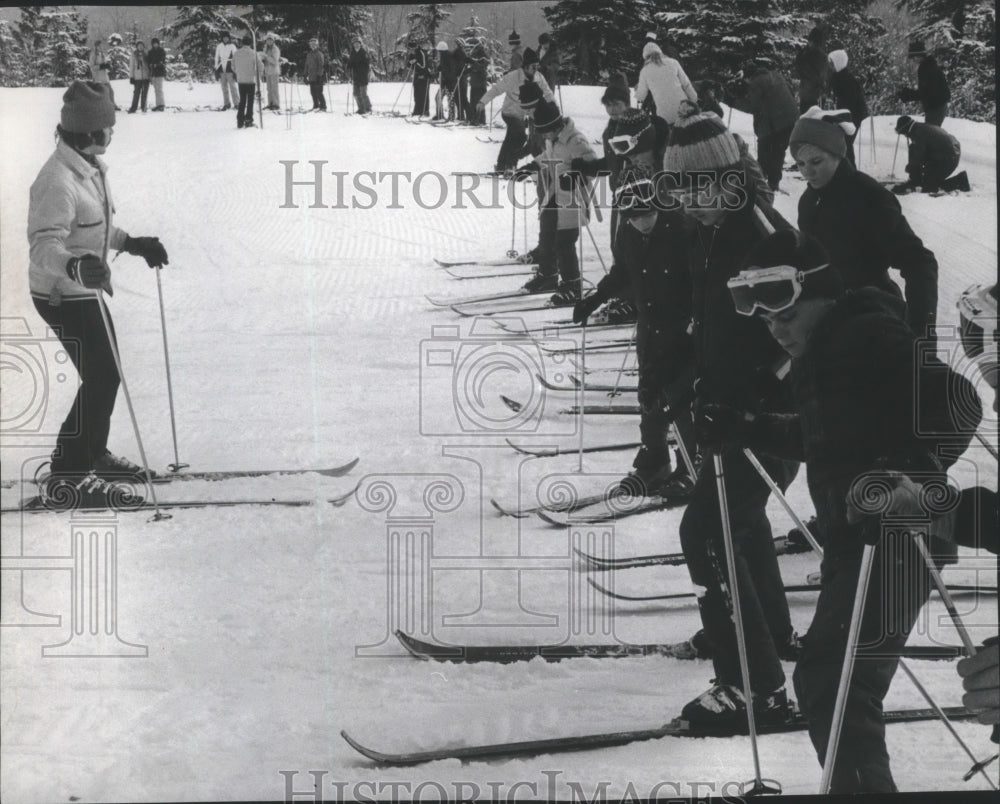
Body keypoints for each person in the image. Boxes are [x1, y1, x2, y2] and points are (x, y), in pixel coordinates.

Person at [716, 229, 979, 792]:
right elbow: (824, 440)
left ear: (821, 292)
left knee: (835, 681)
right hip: (860, 537)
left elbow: (957, 399)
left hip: (899, 535)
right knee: (831, 680)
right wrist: (745, 428)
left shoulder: (865, 334)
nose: (777, 329)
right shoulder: (823, 349)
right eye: (765, 321)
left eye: (785, 314)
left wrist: (903, 470)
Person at [662, 100, 801, 731]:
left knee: (706, 532)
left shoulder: (761, 234)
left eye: (698, 186)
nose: (689, 199)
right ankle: (767, 636)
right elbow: (716, 324)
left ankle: (754, 686)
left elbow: (797, 336)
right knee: (739, 525)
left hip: (766, 416)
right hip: (731, 411)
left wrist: (747, 395)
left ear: (728, 176)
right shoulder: (715, 229)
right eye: (679, 187)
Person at [28, 81, 169, 507]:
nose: (112, 133)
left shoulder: (87, 167)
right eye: (108, 126)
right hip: (60, 293)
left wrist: (132, 243)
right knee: (103, 375)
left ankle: (91, 454)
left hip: (83, 289)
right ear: (90, 133)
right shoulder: (57, 180)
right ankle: (68, 473)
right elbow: (44, 245)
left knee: (106, 373)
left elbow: (92, 227)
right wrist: (74, 265)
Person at [572, 170, 697, 498]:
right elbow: (622, 272)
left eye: (647, 213)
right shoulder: (627, 233)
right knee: (649, 394)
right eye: (633, 216)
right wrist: (594, 299)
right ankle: (654, 461)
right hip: (650, 326)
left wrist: (696, 321)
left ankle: (692, 467)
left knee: (683, 398)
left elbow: (701, 278)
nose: (642, 221)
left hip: (684, 328)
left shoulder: (681, 229)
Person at [790, 107, 939, 339]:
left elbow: (920, 262)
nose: (807, 172)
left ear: (838, 154)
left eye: (816, 161)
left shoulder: (868, 196)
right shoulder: (809, 200)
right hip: (827, 318)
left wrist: (922, 334)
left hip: (873, 316)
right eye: (800, 164)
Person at [513, 100, 596, 306]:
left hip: (572, 200)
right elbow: (548, 156)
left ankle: (572, 286)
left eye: (546, 131)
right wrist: (531, 166)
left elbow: (593, 167)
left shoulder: (576, 140)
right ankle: (548, 275)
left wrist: (577, 175)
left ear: (555, 125)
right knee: (547, 234)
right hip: (554, 196)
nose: (544, 136)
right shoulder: (553, 139)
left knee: (564, 243)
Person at [477, 48, 554, 174]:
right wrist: (482, 101)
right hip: (509, 112)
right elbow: (497, 89)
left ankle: (502, 165)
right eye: (533, 66)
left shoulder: (539, 77)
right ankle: (510, 164)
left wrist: (554, 111)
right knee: (520, 135)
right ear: (526, 66)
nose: (535, 69)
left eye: (537, 66)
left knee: (512, 138)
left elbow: (548, 94)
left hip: (523, 114)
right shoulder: (513, 77)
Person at [728, 61, 799, 191]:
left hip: (776, 122)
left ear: (749, 77)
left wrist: (732, 101)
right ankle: (772, 181)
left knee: (767, 151)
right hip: (791, 118)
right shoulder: (775, 75)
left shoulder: (756, 83)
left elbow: (752, 106)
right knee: (778, 151)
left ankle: (764, 183)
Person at [893, 115, 969, 195]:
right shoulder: (919, 127)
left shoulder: (918, 133)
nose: (905, 136)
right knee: (926, 178)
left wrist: (911, 171)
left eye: (903, 133)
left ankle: (960, 181)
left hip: (948, 158)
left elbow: (918, 157)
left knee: (929, 187)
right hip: (946, 154)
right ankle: (917, 181)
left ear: (906, 129)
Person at [634, 42, 698, 131]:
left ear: (645, 57)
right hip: (683, 108)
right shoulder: (673, 62)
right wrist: (694, 100)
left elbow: (641, 96)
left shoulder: (644, 71)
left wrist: (637, 92)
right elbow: (686, 84)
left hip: (664, 114)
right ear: (660, 52)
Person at [825, 50, 867, 166]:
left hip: (853, 115)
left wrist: (841, 116)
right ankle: (847, 169)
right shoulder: (838, 77)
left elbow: (850, 102)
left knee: (846, 144)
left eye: (832, 63)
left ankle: (851, 171)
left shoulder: (846, 79)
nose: (830, 66)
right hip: (847, 114)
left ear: (838, 63)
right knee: (844, 144)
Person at [898, 39, 950, 127]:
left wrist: (909, 95)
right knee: (931, 131)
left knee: (931, 132)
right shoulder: (927, 65)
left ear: (919, 56)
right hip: (937, 105)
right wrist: (910, 94)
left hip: (936, 106)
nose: (913, 61)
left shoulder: (926, 68)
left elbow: (928, 92)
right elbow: (926, 90)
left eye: (913, 58)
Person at [794, 26, 831, 113]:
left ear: (813, 41)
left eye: (810, 41)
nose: (808, 43)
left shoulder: (811, 55)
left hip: (810, 94)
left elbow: (802, 71)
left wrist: (800, 58)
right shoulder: (821, 55)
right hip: (814, 94)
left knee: (807, 118)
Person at [233, 34, 262, 129]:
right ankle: (248, 119)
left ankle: (239, 121)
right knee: (250, 101)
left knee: (242, 100)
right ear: (250, 43)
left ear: (242, 43)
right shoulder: (253, 53)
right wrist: (256, 74)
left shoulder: (237, 53)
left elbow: (233, 66)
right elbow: (260, 66)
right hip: (250, 80)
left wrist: (239, 72)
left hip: (241, 80)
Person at [343, 36, 371, 115]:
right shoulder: (352, 53)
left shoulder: (363, 52)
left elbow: (367, 64)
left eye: (358, 43)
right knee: (355, 93)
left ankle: (368, 107)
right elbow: (350, 63)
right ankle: (361, 108)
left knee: (363, 93)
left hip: (363, 76)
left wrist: (359, 67)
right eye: (355, 44)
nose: (356, 45)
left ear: (360, 44)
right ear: (353, 45)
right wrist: (348, 67)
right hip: (355, 76)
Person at [465, 36, 488, 125]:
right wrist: (468, 70)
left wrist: (472, 63)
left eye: (472, 46)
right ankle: (474, 118)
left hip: (480, 83)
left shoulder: (482, 54)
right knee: (473, 102)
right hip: (474, 82)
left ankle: (480, 119)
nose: (471, 48)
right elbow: (473, 66)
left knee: (479, 101)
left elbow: (481, 66)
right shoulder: (474, 53)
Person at [214, 32, 238, 111]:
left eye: (227, 37)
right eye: (224, 37)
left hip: (229, 67)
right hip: (221, 67)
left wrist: (235, 68)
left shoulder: (232, 46)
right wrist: (216, 67)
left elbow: (235, 57)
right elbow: (216, 57)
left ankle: (237, 103)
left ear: (229, 38)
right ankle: (226, 103)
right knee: (224, 87)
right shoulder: (219, 46)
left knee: (232, 87)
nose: (225, 39)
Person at [433, 41, 455, 121]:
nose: (438, 52)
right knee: (437, 97)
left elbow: (451, 70)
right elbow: (442, 66)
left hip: (449, 83)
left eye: (439, 51)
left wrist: (448, 78)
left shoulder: (449, 57)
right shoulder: (443, 56)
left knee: (450, 99)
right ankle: (439, 114)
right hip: (443, 82)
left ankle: (451, 116)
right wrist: (438, 69)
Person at [303, 37, 327, 112]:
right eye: (311, 44)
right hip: (311, 76)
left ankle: (323, 106)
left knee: (319, 92)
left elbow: (321, 65)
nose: (313, 46)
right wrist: (305, 75)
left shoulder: (319, 54)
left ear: (317, 45)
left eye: (314, 44)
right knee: (313, 92)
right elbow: (306, 65)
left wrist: (319, 75)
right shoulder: (309, 54)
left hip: (318, 76)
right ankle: (316, 105)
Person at [126, 41, 150, 114]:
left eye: (142, 45)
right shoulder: (134, 55)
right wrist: (131, 77)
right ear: (137, 47)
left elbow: (149, 66)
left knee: (144, 93)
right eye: (139, 46)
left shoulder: (146, 54)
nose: (140, 47)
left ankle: (144, 107)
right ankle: (133, 108)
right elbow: (131, 66)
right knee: (136, 93)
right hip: (137, 77)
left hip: (146, 76)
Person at [146, 37, 166, 112]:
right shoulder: (150, 52)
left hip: (160, 72)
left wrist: (156, 65)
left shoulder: (161, 51)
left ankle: (161, 105)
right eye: (154, 43)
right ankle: (159, 104)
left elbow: (162, 61)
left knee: (159, 89)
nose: (155, 45)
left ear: (158, 43)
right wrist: (150, 65)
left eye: (156, 43)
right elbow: (148, 61)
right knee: (156, 89)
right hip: (153, 73)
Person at [262, 35, 281, 111]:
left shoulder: (275, 49)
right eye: (268, 40)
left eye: (270, 40)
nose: (269, 41)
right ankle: (270, 103)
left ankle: (276, 104)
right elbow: (264, 58)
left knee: (274, 88)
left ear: (273, 41)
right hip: (267, 71)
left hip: (274, 71)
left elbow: (275, 61)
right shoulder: (265, 48)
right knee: (269, 88)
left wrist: (266, 57)